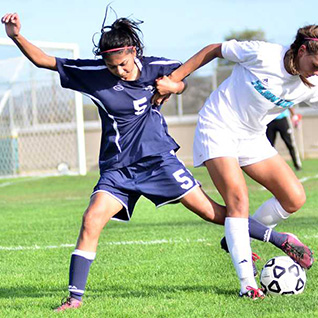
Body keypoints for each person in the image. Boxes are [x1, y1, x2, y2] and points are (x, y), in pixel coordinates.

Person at [1, 11, 313, 308]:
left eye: (123, 64)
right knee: (91, 219)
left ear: (134, 52)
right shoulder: (93, 74)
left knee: (215, 212)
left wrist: (175, 85)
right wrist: (17, 37)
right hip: (118, 170)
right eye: (112, 67)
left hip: (159, 162)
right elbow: (45, 61)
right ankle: (74, 299)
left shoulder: (157, 67)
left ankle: (276, 237)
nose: (119, 72)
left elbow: (182, 80)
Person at [154, 25, 318, 299]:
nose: (316, 72)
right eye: (315, 64)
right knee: (238, 201)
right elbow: (213, 50)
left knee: (294, 197)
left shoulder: (312, 83)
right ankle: (248, 284)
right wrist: (174, 80)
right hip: (218, 126)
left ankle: (236, 238)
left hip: (252, 137)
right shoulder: (264, 55)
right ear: (302, 50)